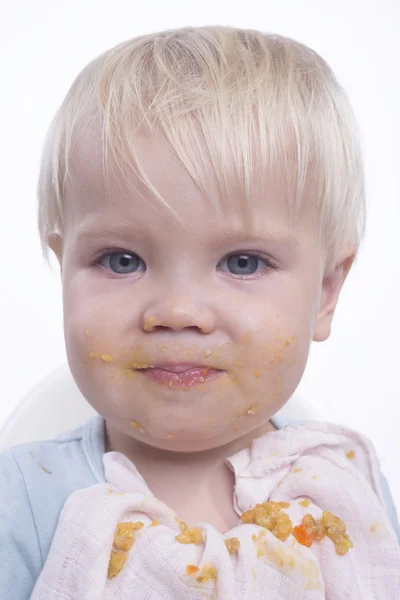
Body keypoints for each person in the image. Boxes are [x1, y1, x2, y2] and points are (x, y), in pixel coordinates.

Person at [0, 25, 399, 599]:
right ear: (63, 272)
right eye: (121, 260)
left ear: (326, 292)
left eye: (241, 263)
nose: (178, 311)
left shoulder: (343, 485)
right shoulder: (25, 500)